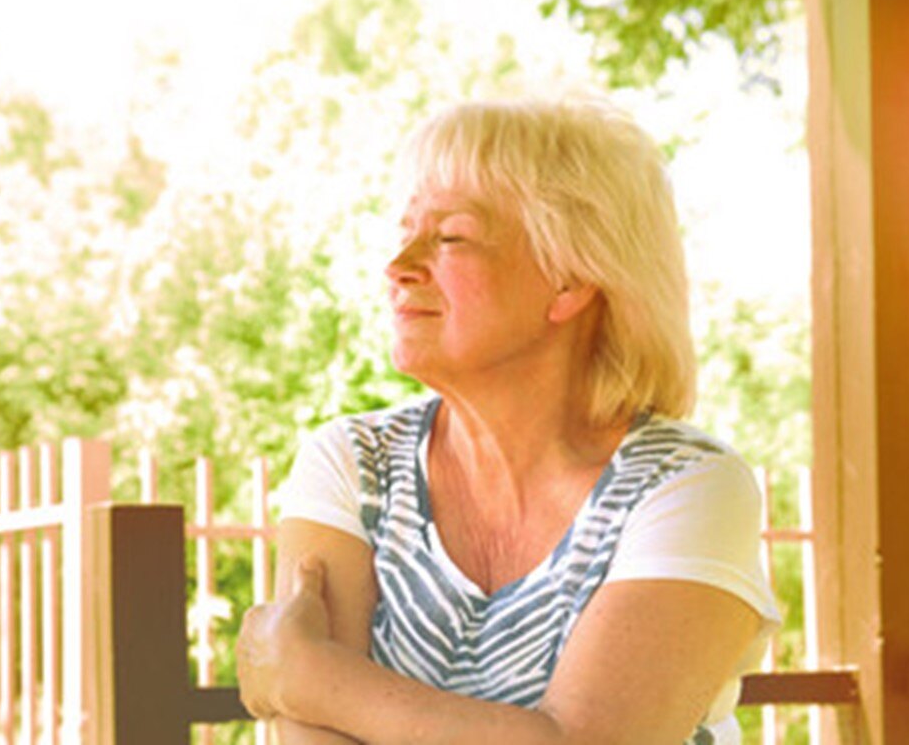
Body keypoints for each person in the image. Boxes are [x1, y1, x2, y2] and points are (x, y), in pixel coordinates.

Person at [235, 97, 781, 744]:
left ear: (568, 280)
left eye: (450, 237)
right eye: (406, 232)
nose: (398, 266)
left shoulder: (689, 486)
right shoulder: (353, 463)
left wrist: (310, 677)